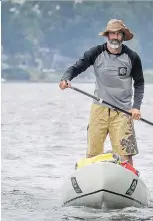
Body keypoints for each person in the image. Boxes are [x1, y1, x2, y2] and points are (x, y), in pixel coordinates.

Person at [59, 19, 145, 166]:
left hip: (124, 111)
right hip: (99, 108)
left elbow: (139, 83)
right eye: (112, 34)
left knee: (125, 154)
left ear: (123, 37)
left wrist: (136, 107)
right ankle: (92, 179)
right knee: (93, 152)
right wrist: (65, 79)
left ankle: (127, 178)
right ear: (107, 36)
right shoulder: (95, 52)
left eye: (119, 34)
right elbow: (76, 67)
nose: (115, 37)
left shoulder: (132, 57)